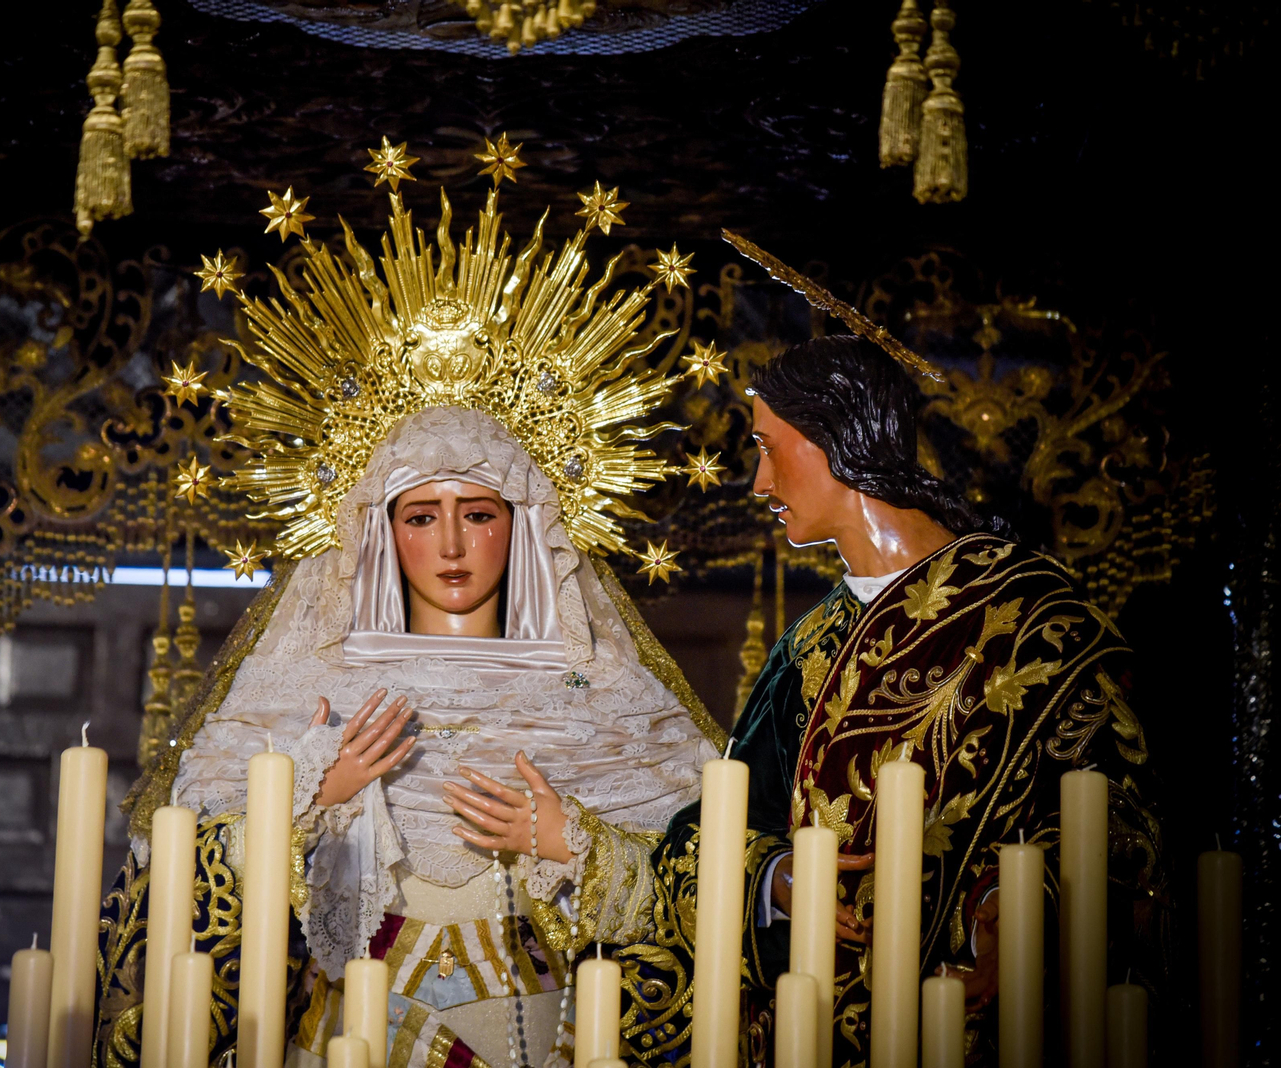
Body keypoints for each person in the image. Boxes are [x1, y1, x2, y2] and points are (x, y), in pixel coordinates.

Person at [94, 178, 727, 1068]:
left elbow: (709, 887)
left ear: (528, 525)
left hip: (534, 1038)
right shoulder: (309, 678)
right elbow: (179, 878)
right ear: (380, 532)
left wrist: (571, 843)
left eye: (481, 513)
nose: (454, 546)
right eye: (421, 517)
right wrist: (314, 796)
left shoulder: (604, 692)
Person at [458, 336, 1165, 1065]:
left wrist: (1015, 920)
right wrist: (776, 879)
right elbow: (720, 824)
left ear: (836, 436)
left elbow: (1114, 825)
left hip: (985, 1022)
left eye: (770, 446)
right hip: (816, 1028)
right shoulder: (808, 649)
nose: (760, 482)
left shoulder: (1031, 617)